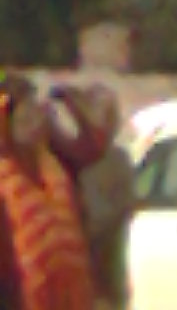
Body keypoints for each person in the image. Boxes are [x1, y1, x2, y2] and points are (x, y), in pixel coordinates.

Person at [0, 76, 106, 310]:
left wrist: (74, 107)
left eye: (37, 114)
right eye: (25, 118)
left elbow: (92, 148)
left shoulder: (55, 161)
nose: (34, 124)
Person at [67, 87, 131, 310]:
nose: (111, 122)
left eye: (113, 115)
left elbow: (123, 207)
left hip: (110, 267)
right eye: (104, 114)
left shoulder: (120, 160)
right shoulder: (74, 160)